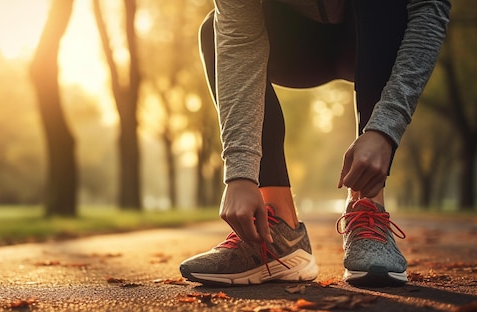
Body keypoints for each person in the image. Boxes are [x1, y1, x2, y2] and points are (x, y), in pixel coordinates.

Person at [179, 0, 451, 287]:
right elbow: (237, 39)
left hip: (377, 34)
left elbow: (429, 10)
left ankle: (368, 209)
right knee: (215, 28)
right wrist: (241, 173)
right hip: (294, 42)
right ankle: (278, 233)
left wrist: (384, 130)